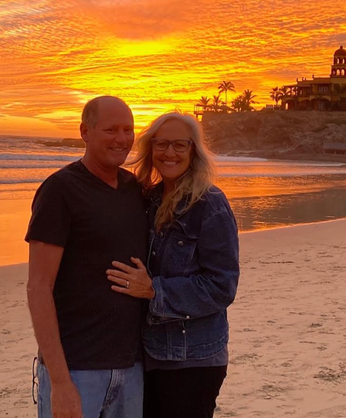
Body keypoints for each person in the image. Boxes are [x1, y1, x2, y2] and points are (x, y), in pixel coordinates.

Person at [106, 112, 239, 418]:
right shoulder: (149, 199)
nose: (170, 153)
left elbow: (222, 287)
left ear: (194, 150)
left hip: (193, 358)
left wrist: (154, 291)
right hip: (149, 353)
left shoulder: (210, 204)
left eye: (180, 145)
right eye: (162, 144)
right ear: (151, 149)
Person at [26, 96, 148, 418]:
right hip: (77, 369)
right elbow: (38, 287)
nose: (122, 139)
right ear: (85, 131)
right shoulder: (59, 191)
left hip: (132, 367)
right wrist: (60, 381)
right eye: (111, 129)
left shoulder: (134, 189)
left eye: (128, 130)